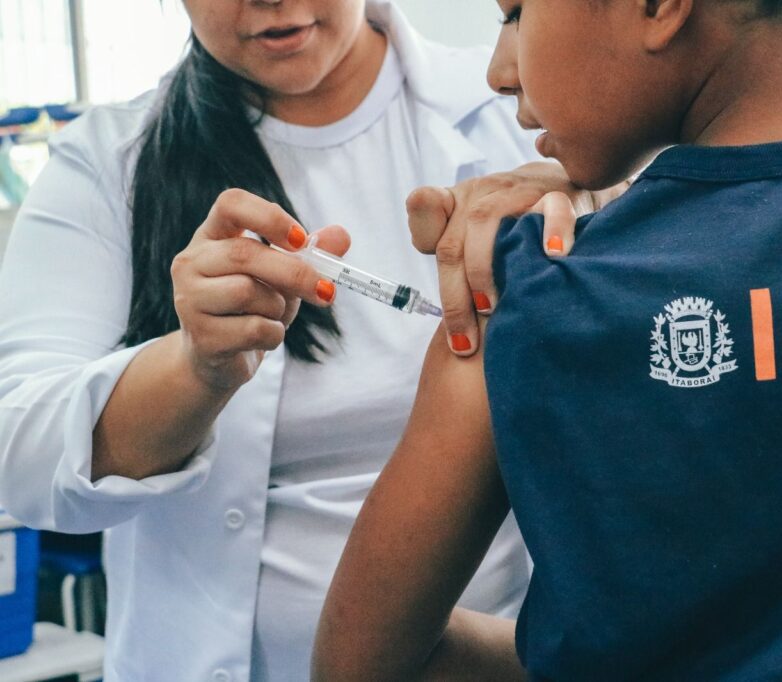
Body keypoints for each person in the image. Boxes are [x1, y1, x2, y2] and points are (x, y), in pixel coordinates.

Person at [312, 0, 782, 679]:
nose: (500, 71)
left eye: (517, 15)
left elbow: (363, 666)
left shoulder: (523, 293)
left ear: (658, 6)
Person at [0, 1, 615, 679]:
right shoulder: (110, 159)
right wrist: (195, 367)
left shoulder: (528, 112)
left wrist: (602, 224)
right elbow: (23, 464)